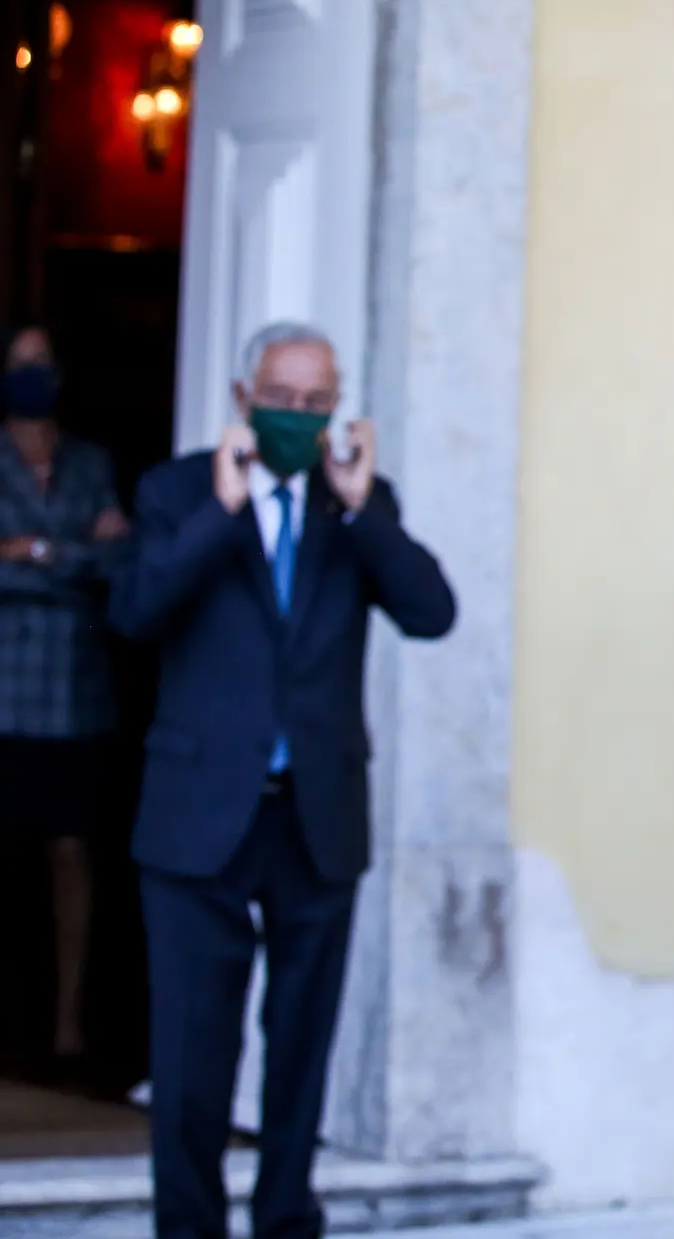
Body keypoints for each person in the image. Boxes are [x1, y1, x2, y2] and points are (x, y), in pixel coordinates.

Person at [110, 321, 455, 1239]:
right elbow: (137, 610)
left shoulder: (357, 503)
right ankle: (188, 1227)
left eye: (317, 403)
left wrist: (361, 509)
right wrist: (222, 515)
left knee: (302, 1049)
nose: (298, 418)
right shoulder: (177, 492)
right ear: (241, 400)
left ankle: (285, 1219)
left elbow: (432, 612)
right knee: (192, 1052)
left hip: (316, 816)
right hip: (198, 819)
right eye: (282, 401)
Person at [0, 324, 131, 1071]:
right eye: (19, 365)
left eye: (42, 364)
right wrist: (70, 556)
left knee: (72, 852)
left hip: (74, 689)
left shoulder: (91, 462)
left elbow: (120, 560)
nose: (32, 376)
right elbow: (94, 552)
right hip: (5, 688)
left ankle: (69, 1021)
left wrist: (28, 552)